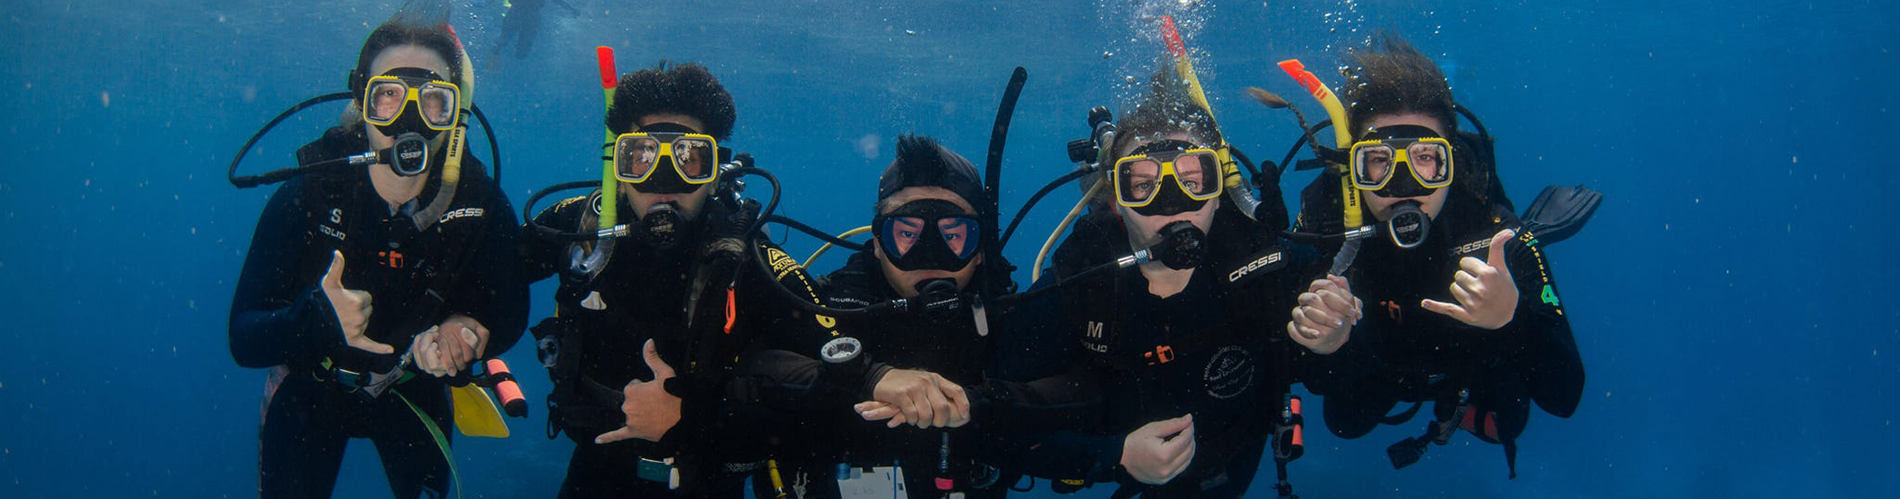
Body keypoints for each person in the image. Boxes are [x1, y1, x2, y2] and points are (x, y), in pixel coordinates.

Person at [999, 69, 1356, 498]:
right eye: (1144, 186)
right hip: (1130, 475)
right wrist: (1113, 456)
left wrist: (1337, 338)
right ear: (1115, 202)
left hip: (1236, 456)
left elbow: (1343, 382)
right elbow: (998, 425)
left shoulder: (1266, 264)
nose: (1172, 207)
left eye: (1192, 181)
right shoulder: (1079, 287)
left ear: (1220, 191)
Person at [228, 11, 528, 499]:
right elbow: (243, 338)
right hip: (311, 388)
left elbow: (511, 311)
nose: (408, 120)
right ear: (361, 104)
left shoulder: (479, 205)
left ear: (455, 113)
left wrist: (466, 327)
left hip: (412, 387)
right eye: (388, 96)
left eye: (432, 100)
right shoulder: (311, 195)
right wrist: (313, 321)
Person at [728, 135, 1104, 498]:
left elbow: (1086, 389)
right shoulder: (826, 312)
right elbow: (748, 366)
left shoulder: (1005, 324)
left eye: (954, 234)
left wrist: (984, 402)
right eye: (907, 233)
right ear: (877, 243)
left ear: (981, 250)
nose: (929, 255)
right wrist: (863, 376)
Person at [520, 61, 832, 498]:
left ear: (716, 171)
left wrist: (697, 416)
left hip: (705, 470)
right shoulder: (583, 225)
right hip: (596, 464)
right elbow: (488, 271)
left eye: (689, 158)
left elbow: (834, 373)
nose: (663, 182)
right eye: (642, 156)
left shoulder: (747, 255)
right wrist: (463, 318)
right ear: (618, 165)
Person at [1292, 33, 1586, 478]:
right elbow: (1305, 378)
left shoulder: (1494, 236)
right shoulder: (1331, 230)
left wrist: (1512, 318)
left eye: (1426, 158)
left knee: (1507, 421)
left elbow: (1565, 397)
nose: (1404, 184)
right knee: (1344, 423)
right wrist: (1329, 347)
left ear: (1454, 163)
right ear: (1354, 167)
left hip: (1472, 365)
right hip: (1382, 366)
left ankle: (1465, 408)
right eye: (1378, 161)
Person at [487, 0, 579, 62]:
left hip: (524, 14)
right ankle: (497, 48)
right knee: (504, 41)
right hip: (523, 14)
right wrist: (571, 9)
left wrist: (570, 9)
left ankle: (498, 47)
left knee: (517, 49)